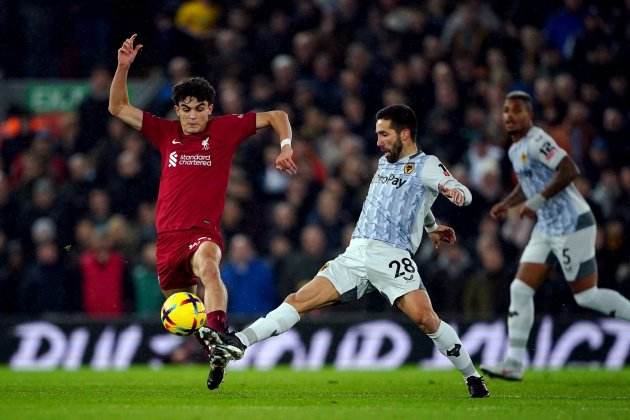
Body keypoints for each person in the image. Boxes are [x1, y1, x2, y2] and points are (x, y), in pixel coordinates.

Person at [207, 104, 490, 398]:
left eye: (384, 134)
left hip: (392, 256)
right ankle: (238, 342)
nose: (378, 141)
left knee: (426, 319)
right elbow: (408, 200)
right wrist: (431, 226)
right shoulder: (384, 163)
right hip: (356, 252)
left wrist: (455, 193)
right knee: (300, 299)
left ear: (405, 134)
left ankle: (472, 376)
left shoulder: (426, 165)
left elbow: (459, 190)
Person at [108, 34, 297, 390]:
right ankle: (215, 353)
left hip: (202, 232)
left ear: (210, 109)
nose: (193, 115)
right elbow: (118, 107)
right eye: (186, 108)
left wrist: (286, 147)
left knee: (209, 267)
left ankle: (220, 330)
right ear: (176, 109)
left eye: (200, 108)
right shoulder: (165, 133)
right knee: (185, 312)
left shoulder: (224, 130)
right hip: (167, 241)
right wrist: (122, 67)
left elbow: (277, 115)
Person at [480, 91, 630, 381]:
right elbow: (529, 183)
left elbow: (569, 170)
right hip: (546, 227)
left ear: (529, 115)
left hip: (573, 222)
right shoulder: (514, 150)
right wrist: (507, 204)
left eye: (517, 111)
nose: (510, 116)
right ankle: (513, 362)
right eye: (506, 111)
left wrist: (536, 202)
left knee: (587, 296)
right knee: (520, 290)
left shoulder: (539, 141)